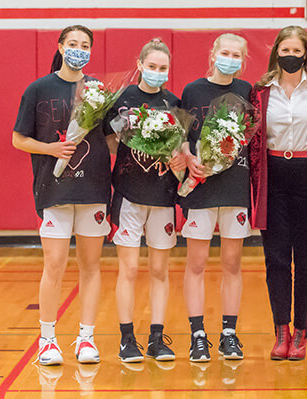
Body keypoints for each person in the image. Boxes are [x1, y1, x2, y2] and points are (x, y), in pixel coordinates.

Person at [12, 25, 109, 365]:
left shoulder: (98, 90)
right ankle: (48, 339)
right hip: (53, 189)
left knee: (91, 266)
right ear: (61, 46)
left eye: (85, 45)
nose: (79, 49)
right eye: (73, 44)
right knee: (54, 264)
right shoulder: (38, 89)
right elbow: (18, 139)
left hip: (94, 188)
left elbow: (109, 139)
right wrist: (51, 149)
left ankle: (86, 338)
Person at [250, 25, 307, 361]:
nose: (290, 56)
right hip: (273, 178)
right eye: (284, 50)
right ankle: (280, 331)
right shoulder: (261, 89)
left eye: (296, 51)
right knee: (275, 260)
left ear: (306, 53)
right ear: (276, 53)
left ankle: (302, 332)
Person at [103, 38, 186, 363]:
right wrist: (138, 146)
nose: (156, 72)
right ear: (139, 65)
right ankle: (127, 339)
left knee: (159, 270)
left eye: (162, 68)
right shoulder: (122, 99)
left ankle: (156, 337)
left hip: (163, 196)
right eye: (151, 66)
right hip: (128, 194)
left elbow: (181, 149)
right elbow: (110, 141)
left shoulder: (173, 103)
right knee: (129, 267)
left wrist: (175, 157)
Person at [180, 33, 252, 362]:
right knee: (196, 264)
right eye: (225, 52)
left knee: (232, 263)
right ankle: (197, 335)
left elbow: (251, 134)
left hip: (235, 185)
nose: (230, 58)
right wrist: (189, 157)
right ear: (213, 53)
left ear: (243, 59)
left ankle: (229, 334)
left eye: (236, 55)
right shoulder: (193, 91)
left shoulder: (246, 91)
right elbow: (181, 136)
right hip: (201, 187)